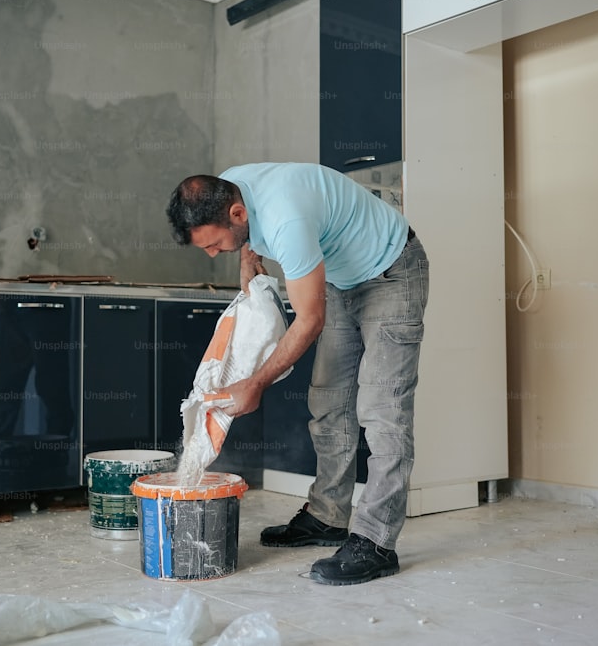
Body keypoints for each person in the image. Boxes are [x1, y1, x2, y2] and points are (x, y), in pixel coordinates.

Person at [166, 162, 429, 585]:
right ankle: (327, 517)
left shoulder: (286, 216)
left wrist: (254, 384)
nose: (213, 254)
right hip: (342, 278)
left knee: (383, 409)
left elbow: (308, 321)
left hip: (391, 272)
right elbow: (253, 236)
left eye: (215, 245)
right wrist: (245, 258)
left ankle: (376, 541)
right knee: (328, 400)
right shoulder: (230, 187)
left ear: (236, 215)